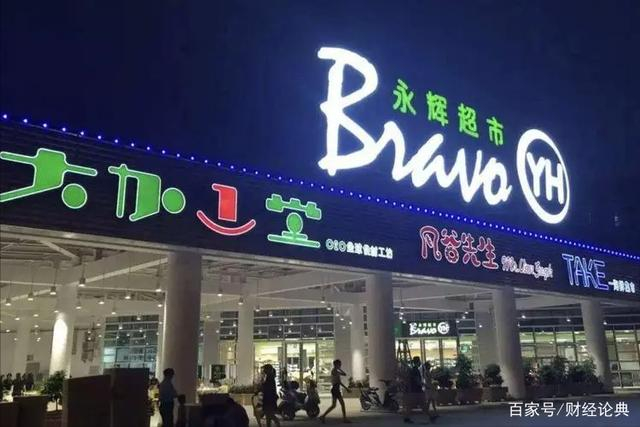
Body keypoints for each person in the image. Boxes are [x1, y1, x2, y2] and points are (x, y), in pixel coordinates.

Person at [319, 359, 351, 424]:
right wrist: (346, 388)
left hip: (335, 389)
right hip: (335, 389)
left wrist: (339, 369)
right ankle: (344, 419)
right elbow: (339, 382)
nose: (340, 365)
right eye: (339, 364)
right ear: (336, 364)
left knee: (334, 405)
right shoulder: (334, 371)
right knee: (342, 404)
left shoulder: (336, 371)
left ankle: (323, 416)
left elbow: (344, 374)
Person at [402, 357, 428, 424]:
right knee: (422, 404)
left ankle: (407, 418)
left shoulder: (413, 370)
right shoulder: (415, 370)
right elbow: (417, 380)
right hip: (417, 390)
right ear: (418, 362)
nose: (420, 363)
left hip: (414, 390)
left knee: (415, 405)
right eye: (419, 361)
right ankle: (430, 417)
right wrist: (424, 385)